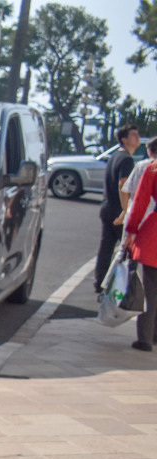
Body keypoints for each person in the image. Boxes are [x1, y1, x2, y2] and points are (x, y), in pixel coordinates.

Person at [95, 124, 142, 292]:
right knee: (127, 250)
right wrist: (125, 211)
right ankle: (123, 289)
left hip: (106, 207)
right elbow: (123, 183)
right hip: (117, 210)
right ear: (124, 139)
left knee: (106, 249)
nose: (137, 137)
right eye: (134, 135)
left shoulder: (115, 156)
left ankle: (100, 284)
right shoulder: (127, 160)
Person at [122, 156, 157, 352]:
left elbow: (140, 201)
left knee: (151, 289)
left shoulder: (153, 168)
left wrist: (131, 230)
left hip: (155, 232)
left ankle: (146, 337)